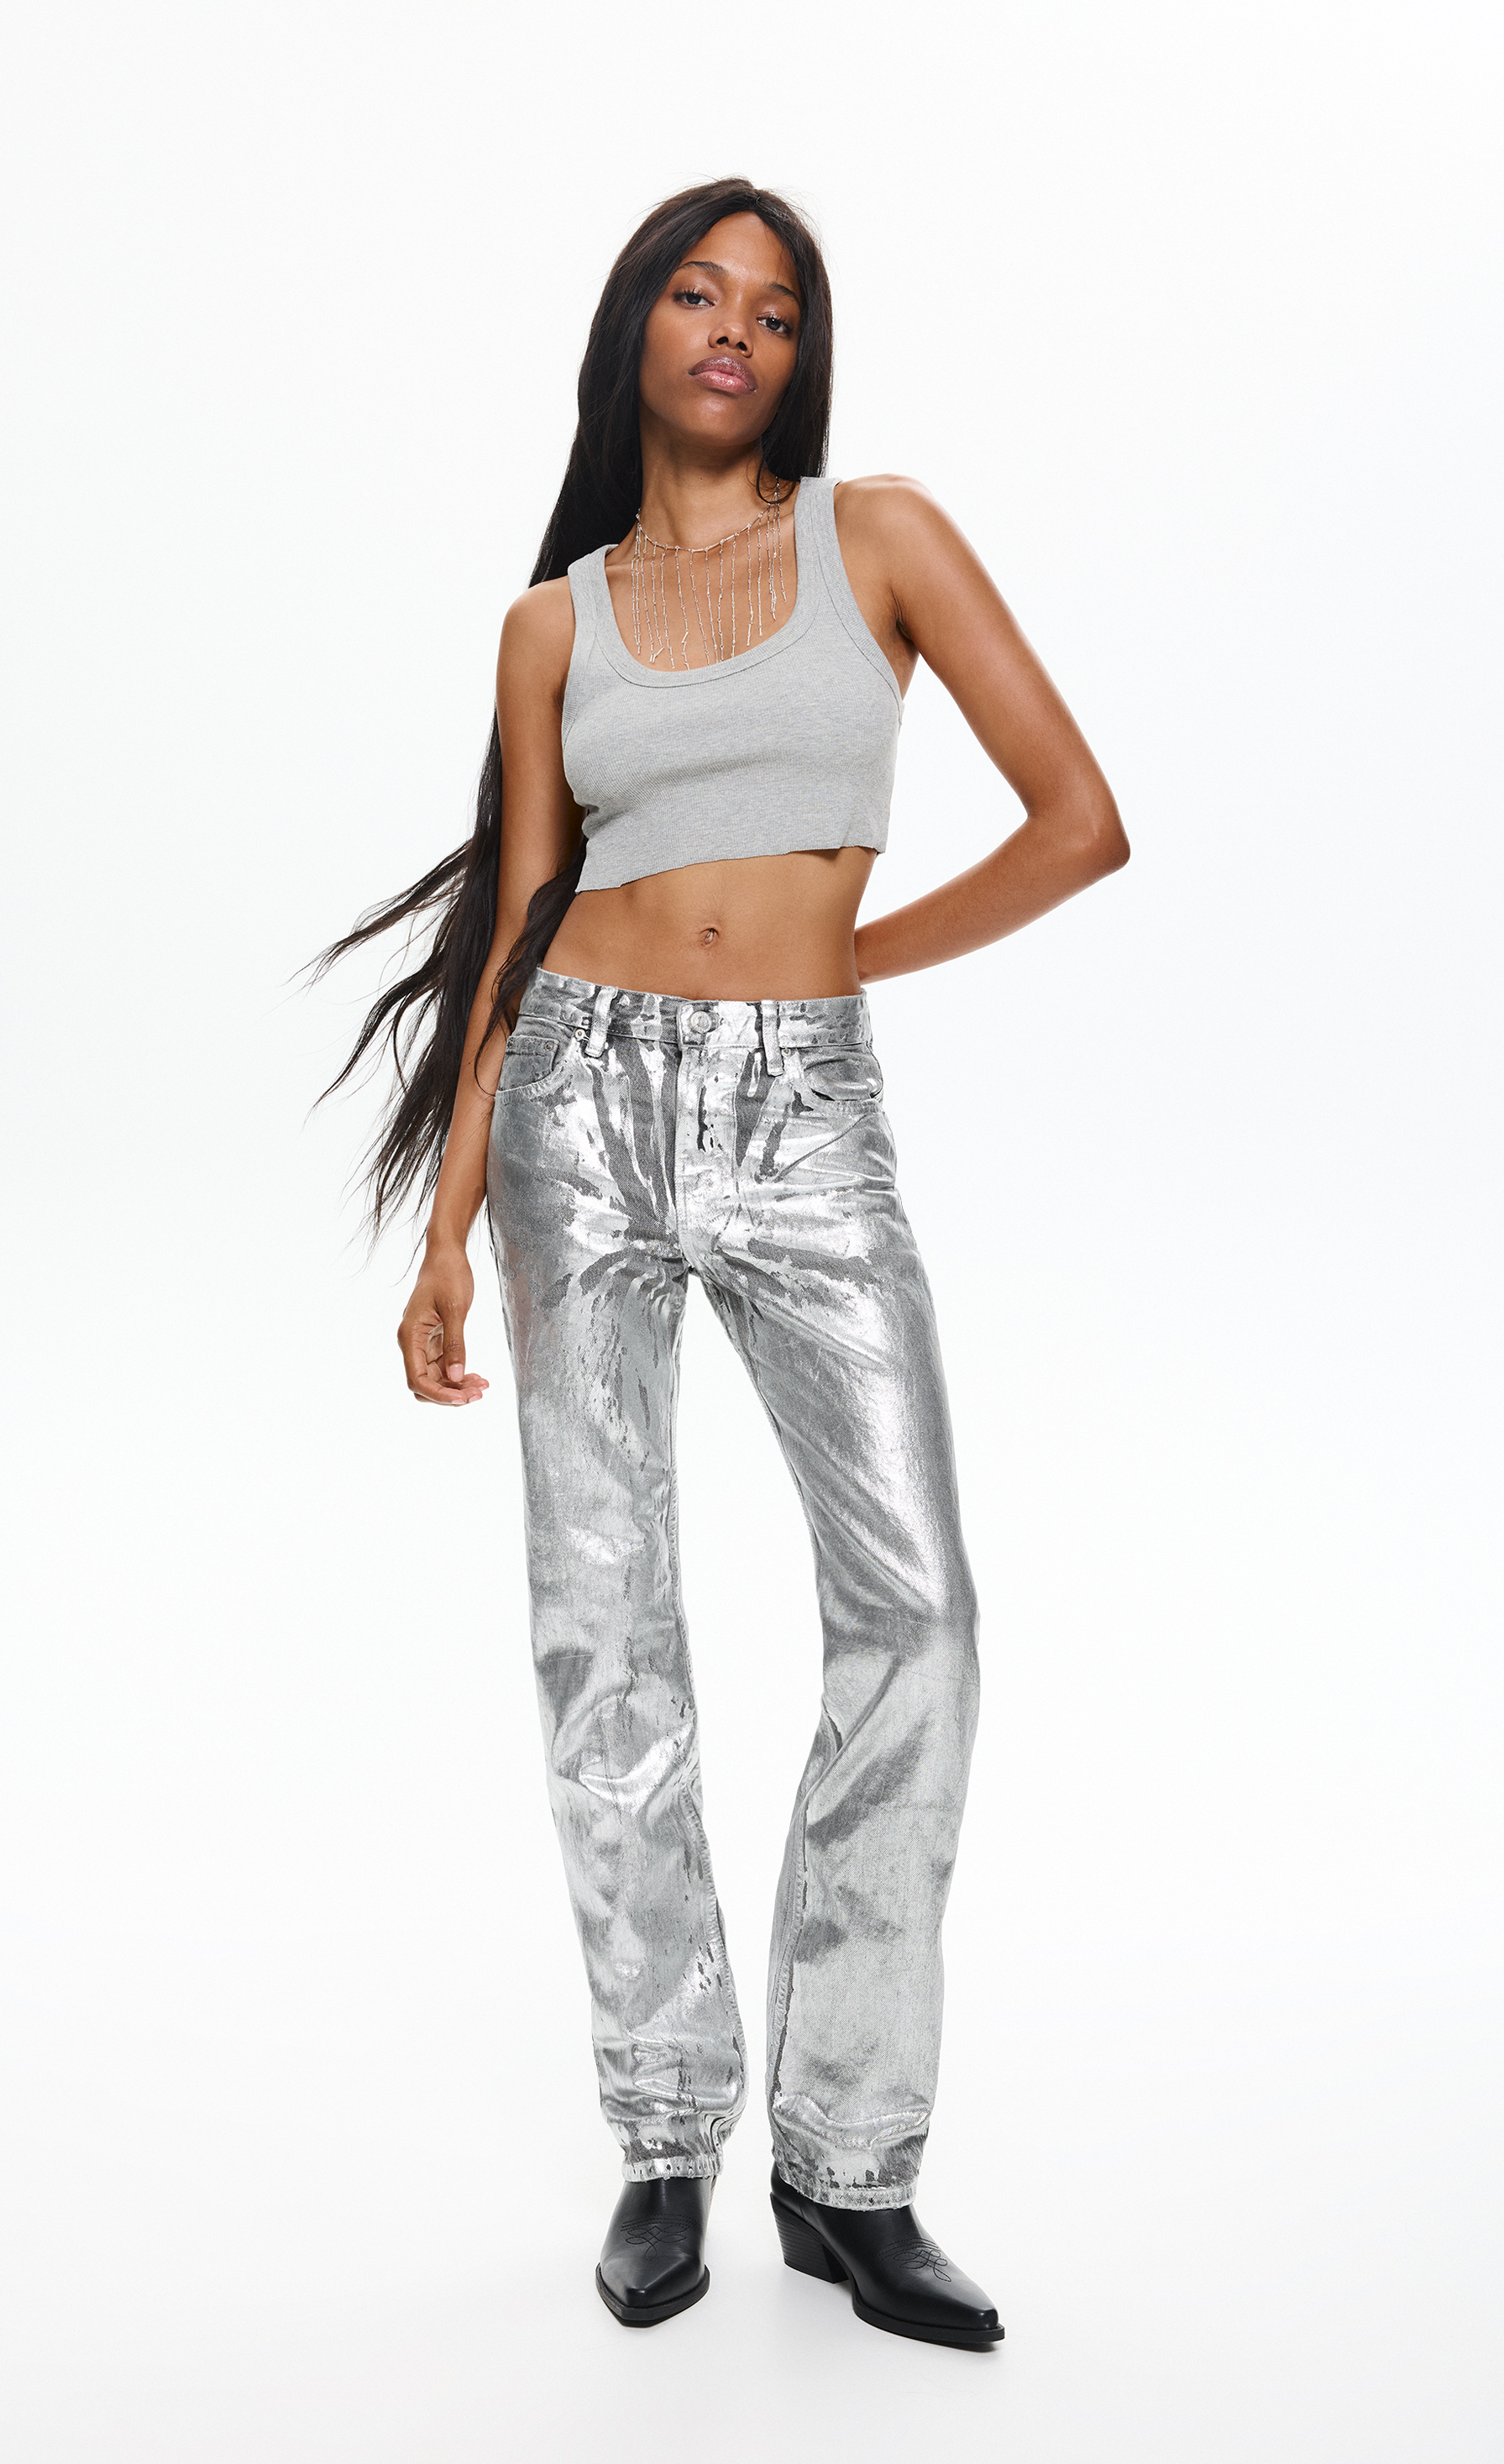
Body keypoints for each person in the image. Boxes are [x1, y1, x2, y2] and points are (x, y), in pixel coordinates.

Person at [317, 178, 1127, 2348]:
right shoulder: (549, 623)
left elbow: (1079, 820)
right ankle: (667, 2130)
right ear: (636, 329)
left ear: (801, 354)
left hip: (805, 1115)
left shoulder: (884, 538)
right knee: (605, 1627)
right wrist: (447, 1225)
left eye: (773, 308)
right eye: (698, 291)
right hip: (575, 1107)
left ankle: (849, 2170)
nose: (734, 330)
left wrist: (841, 963)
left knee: (918, 1611)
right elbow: (518, 919)